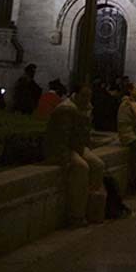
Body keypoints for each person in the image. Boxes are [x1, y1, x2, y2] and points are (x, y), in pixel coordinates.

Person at [45, 83, 104, 227]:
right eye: (84, 96)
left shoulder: (84, 108)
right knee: (81, 167)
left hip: (77, 147)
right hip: (64, 148)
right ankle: (76, 215)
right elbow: (61, 137)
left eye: (89, 96)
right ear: (75, 95)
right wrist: (66, 160)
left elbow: (84, 133)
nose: (87, 99)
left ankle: (91, 209)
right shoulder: (66, 109)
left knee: (98, 165)